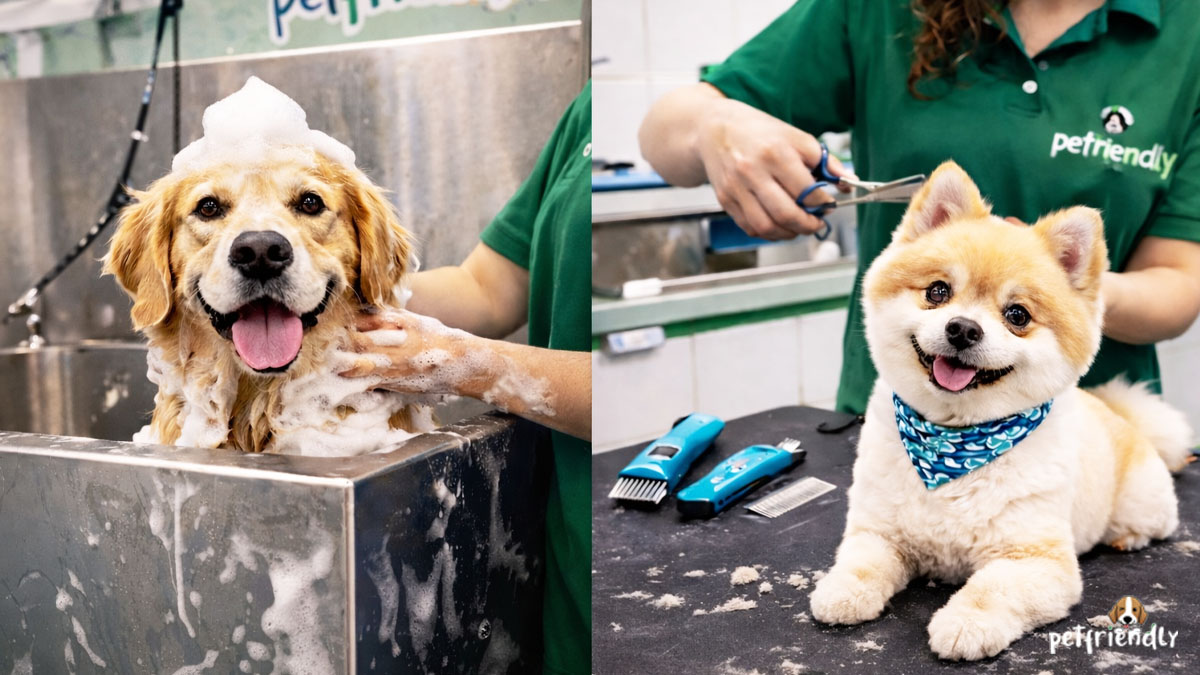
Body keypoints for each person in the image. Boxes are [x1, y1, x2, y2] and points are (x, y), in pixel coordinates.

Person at [638, 0, 1200, 415]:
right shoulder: (879, 11)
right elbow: (664, 133)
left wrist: (1056, 291)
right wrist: (716, 126)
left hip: (1087, 431)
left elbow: (1177, 286)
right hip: (896, 416)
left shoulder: (1186, 37)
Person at [343, 82, 591, 673]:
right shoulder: (583, 112)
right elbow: (487, 288)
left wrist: (466, 363)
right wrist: (328, 278)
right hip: (573, 574)